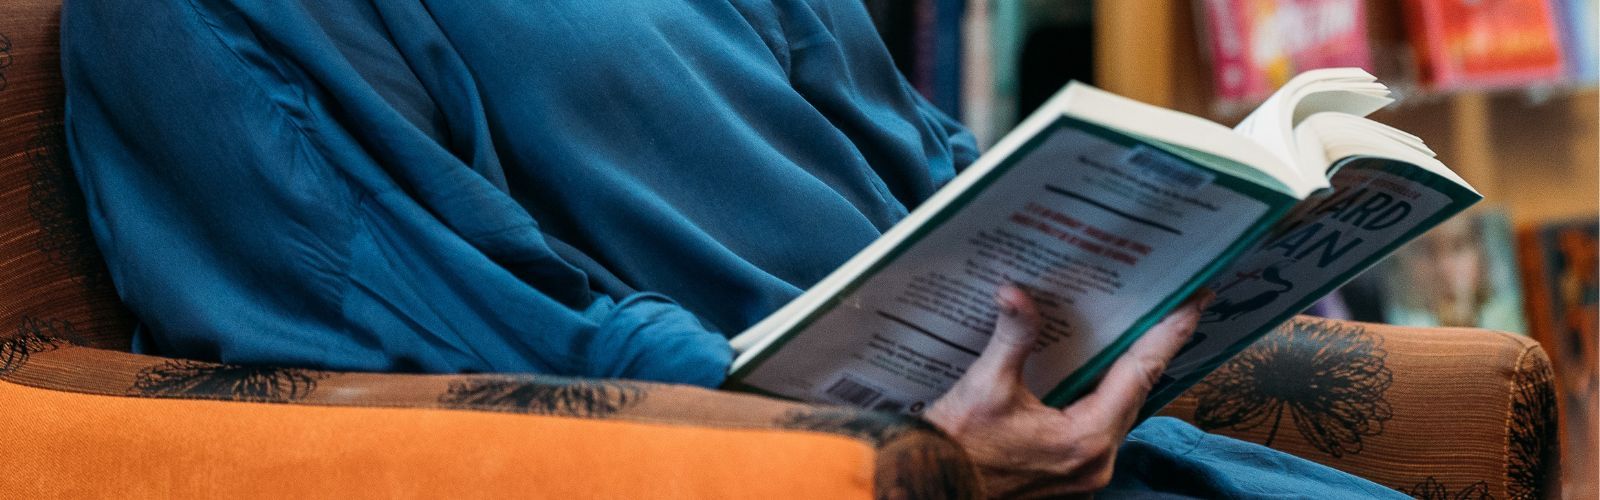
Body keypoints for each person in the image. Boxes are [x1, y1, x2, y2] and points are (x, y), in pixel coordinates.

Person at [62, 1, 1405, 497]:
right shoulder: (181, 24)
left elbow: (919, 166)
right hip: (772, 468)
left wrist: (1170, 219)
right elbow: (490, 353)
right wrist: (897, 462)